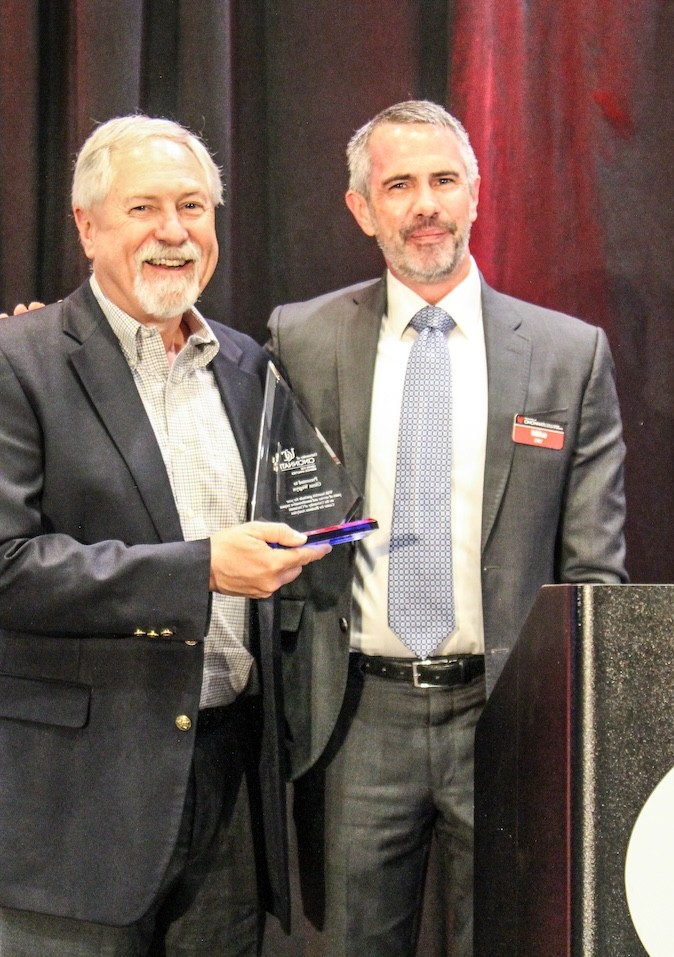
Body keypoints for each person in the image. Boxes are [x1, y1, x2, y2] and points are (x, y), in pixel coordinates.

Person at [0, 115, 330, 957]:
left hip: (231, 781)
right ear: (87, 226)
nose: (173, 232)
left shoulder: (248, 366)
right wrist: (202, 571)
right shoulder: (8, 360)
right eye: (143, 208)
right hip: (76, 797)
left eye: (193, 206)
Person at [266, 100, 627, 957]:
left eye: (443, 181)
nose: (424, 203)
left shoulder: (567, 355)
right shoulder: (301, 339)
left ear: (476, 195)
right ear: (362, 208)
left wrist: (564, 725)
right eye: (399, 185)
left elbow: (594, 572)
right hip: (358, 717)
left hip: (503, 718)